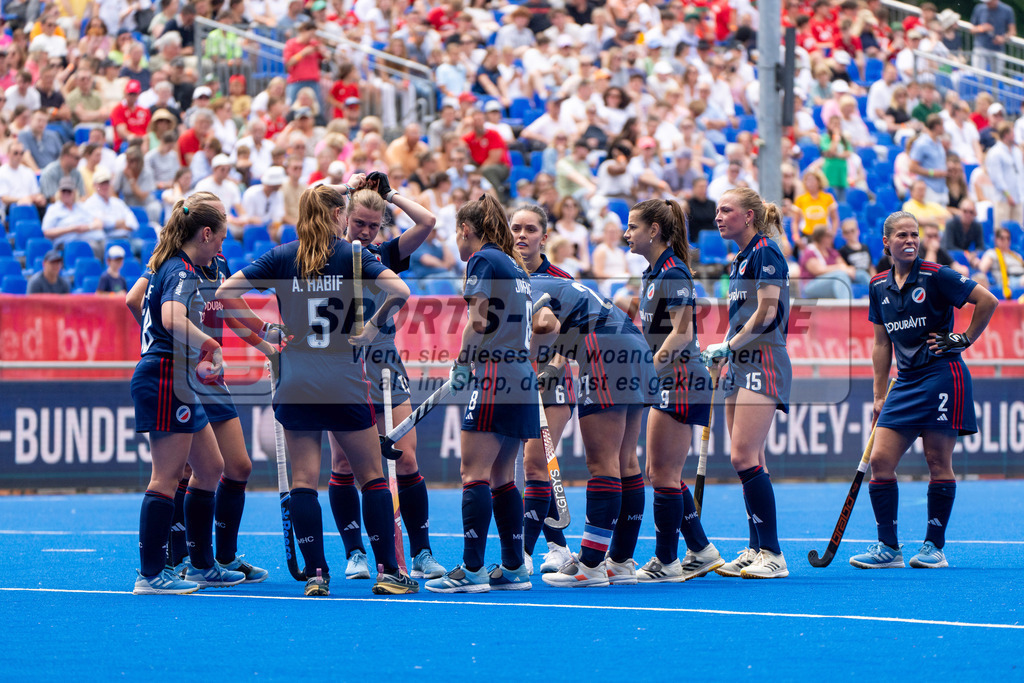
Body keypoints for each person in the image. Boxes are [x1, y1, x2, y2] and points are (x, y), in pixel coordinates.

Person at [216, 184, 417, 597]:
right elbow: (400, 291)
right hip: (342, 377)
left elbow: (224, 293)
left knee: (304, 480)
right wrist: (371, 329)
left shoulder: (282, 256)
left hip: (296, 378)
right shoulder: (352, 255)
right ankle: (388, 572)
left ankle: (316, 575)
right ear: (335, 216)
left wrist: (265, 334)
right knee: (371, 477)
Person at [850, 211, 998, 570]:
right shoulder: (877, 286)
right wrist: (878, 394)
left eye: (914, 235)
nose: (910, 241)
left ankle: (934, 546)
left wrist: (962, 339)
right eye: (902, 235)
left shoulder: (936, 276)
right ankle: (889, 548)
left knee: (937, 461)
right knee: (881, 462)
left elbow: (988, 301)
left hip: (942, 376)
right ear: (886, 242)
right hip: (905, 383)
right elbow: (881, 344)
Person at [324, 172, 447, 582]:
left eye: (374, 226)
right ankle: (356, 552)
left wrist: (388, 194)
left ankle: (422, 552)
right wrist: (344, 188)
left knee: (406, 456)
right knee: (344, 463)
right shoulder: (326, 252)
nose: (365, 231)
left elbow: (428, 223)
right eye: (358, 222)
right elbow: (310, 201)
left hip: (385, 364)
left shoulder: (384, 255)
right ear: (343, 218)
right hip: (341, 367)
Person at [128, 192, 246, 594]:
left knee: (211, 467)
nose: (222, 247)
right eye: (221, 238)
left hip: (180, 378)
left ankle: (200, 565)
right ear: (207, 233)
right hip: (164, 376)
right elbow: (171, 317)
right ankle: (150, 574)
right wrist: (208, 346)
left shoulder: (177, 266)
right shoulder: (179, 269)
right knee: (165, 477)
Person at [424, 195, 540, 593]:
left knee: (473, 474)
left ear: (466, 231)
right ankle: (513, 567)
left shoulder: (484, 260)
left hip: (495, 372)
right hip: (521, 375)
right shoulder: (516, 266)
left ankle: (472, 570)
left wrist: (461, 360)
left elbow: (478, 318)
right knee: (501, 476)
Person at [620, 198, 724, 583]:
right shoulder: (652, 274)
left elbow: (682, 334)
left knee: (662, 474)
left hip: (681, 379)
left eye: (633, 226)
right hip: (669, 377)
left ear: (654, 231)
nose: (626, 233)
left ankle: (667, 561)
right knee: (659, 471)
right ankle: (701, 549)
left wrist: (647, 370)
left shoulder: (674, 273)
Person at [532, 271, 654, 588]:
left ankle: (590, 564)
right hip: (634, 344)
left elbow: (546, 324)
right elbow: (573, 326)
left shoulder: (520, 286)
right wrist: (551, 370)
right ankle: (621, 562)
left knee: (602, 462)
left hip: (604, 350)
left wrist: (522, 361)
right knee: (626, 460)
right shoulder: (552, 280)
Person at [701, 188, 791, 579]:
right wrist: (726, 352)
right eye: (717, 210)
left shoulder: (765, 253)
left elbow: (767, 314)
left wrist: (728, 345)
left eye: (727, 210)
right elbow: (742, 315)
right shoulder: (738, 259)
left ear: (749, 216)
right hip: (739, 362)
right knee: (751, 459)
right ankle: (756, 548)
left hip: (763, 359)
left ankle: (773, 554)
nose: (718, 216)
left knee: (742, 457)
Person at [508, 205, 577, 574]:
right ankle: (559, 547)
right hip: (512, 383)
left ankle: (521, 555)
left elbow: (572, 332)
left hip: (552, 385)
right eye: (516, 228)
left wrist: (553, 368)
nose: (522, 235)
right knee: (518, 470)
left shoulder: (561, 279)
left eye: (530, 229)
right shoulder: (503, 274)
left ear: (544, 237)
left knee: (535, 465)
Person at [42, 177, 104, 250]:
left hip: (89, 238)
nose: (66, 194)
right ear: (59, 193)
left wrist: (87, 227)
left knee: (106, 244)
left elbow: (99, 223)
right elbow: (46, 232)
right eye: (64, 191)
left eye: (69, 191)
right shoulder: (53, 209)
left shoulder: (81, 207)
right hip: (66, 243)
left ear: (74, 192)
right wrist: (71, 229)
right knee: (91, 247)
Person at [799, 224, 856, 299]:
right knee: (841, 276)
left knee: (861, 274)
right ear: (820, 236)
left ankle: (872, 300)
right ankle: (847, 307)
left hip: (829, 283)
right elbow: (818, 270)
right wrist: (839, 267)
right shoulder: (810, 251)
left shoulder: (831, 252)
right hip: (811, 285)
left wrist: (849, 269)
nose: (831, 238)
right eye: (828, 236)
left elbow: (844, 266)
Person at [83, 167, 139, 240]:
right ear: (94, 185)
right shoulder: (90, 203)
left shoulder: (118, 202)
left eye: (106, 183)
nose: (104, 186)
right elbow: (102, 224)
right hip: (105, 240)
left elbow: (133, 223)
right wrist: (120, 223)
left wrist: (114, 224)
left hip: (126, 238)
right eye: (101, 184)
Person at [970, 0, 1016, 74]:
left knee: (996, 78)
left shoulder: (1007, 10)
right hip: (981, 48)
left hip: (998, 50)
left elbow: (1012, 31)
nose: (987, 4)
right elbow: (972, 29)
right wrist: (982, 28)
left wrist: (1003, 38)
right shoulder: (979, 8)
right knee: (978, 75)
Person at [978, 226, 1024, 296]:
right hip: (1007, 282)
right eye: (1002, 238)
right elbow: (982, 269)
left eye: (1008, 238)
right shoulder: (992, 253)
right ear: (996, 240)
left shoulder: (1017, 255)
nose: (1005, 241)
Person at [943, 200, 985, 270]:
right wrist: (966, 254)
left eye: (971, 212)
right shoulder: (951, 223)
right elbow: (948, 246)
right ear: (959, 211)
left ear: (975, 214)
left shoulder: (977, 226)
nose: (968, 214)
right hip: (948, 257)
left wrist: (974, 254)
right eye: (965, 211)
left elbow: (981, 246)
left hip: (966, 256)